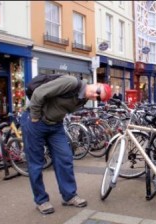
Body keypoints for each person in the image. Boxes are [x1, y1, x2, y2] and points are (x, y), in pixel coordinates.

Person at [20, 75, 112, 215]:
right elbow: (39, 93)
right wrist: (35, 117)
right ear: (96, 83)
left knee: (65, 158)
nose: (95, 95)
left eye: (99, 98)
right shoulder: (70, 82)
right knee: (36, 163)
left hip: (55, 125)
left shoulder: (83, 99)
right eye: (98, 91)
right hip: (36, 122)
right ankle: (41, 200)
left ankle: (69, 196)